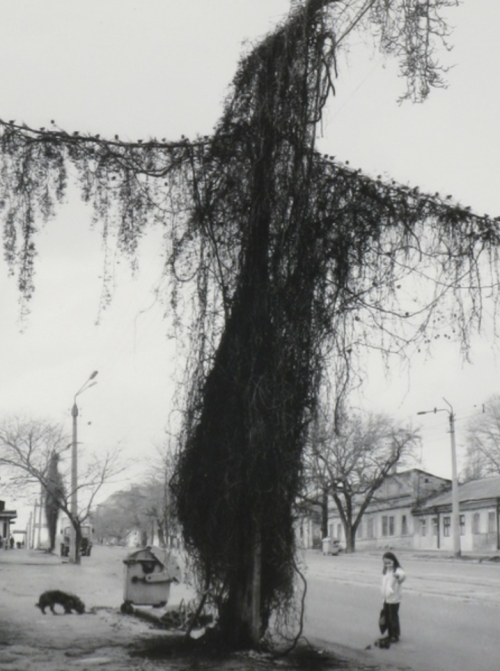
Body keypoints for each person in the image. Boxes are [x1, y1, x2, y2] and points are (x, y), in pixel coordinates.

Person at [380, 551, 406, 643]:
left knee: (393, 617)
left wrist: (398, 576)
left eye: (389, 562)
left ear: (394, 561)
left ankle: (395, 635)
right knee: (387, 617)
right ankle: (390, 634)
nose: (387, 565)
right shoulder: (386, 571)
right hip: (386, 598)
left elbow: (402, 575)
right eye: (385, 563)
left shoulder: (397, 570)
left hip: (394, 599)